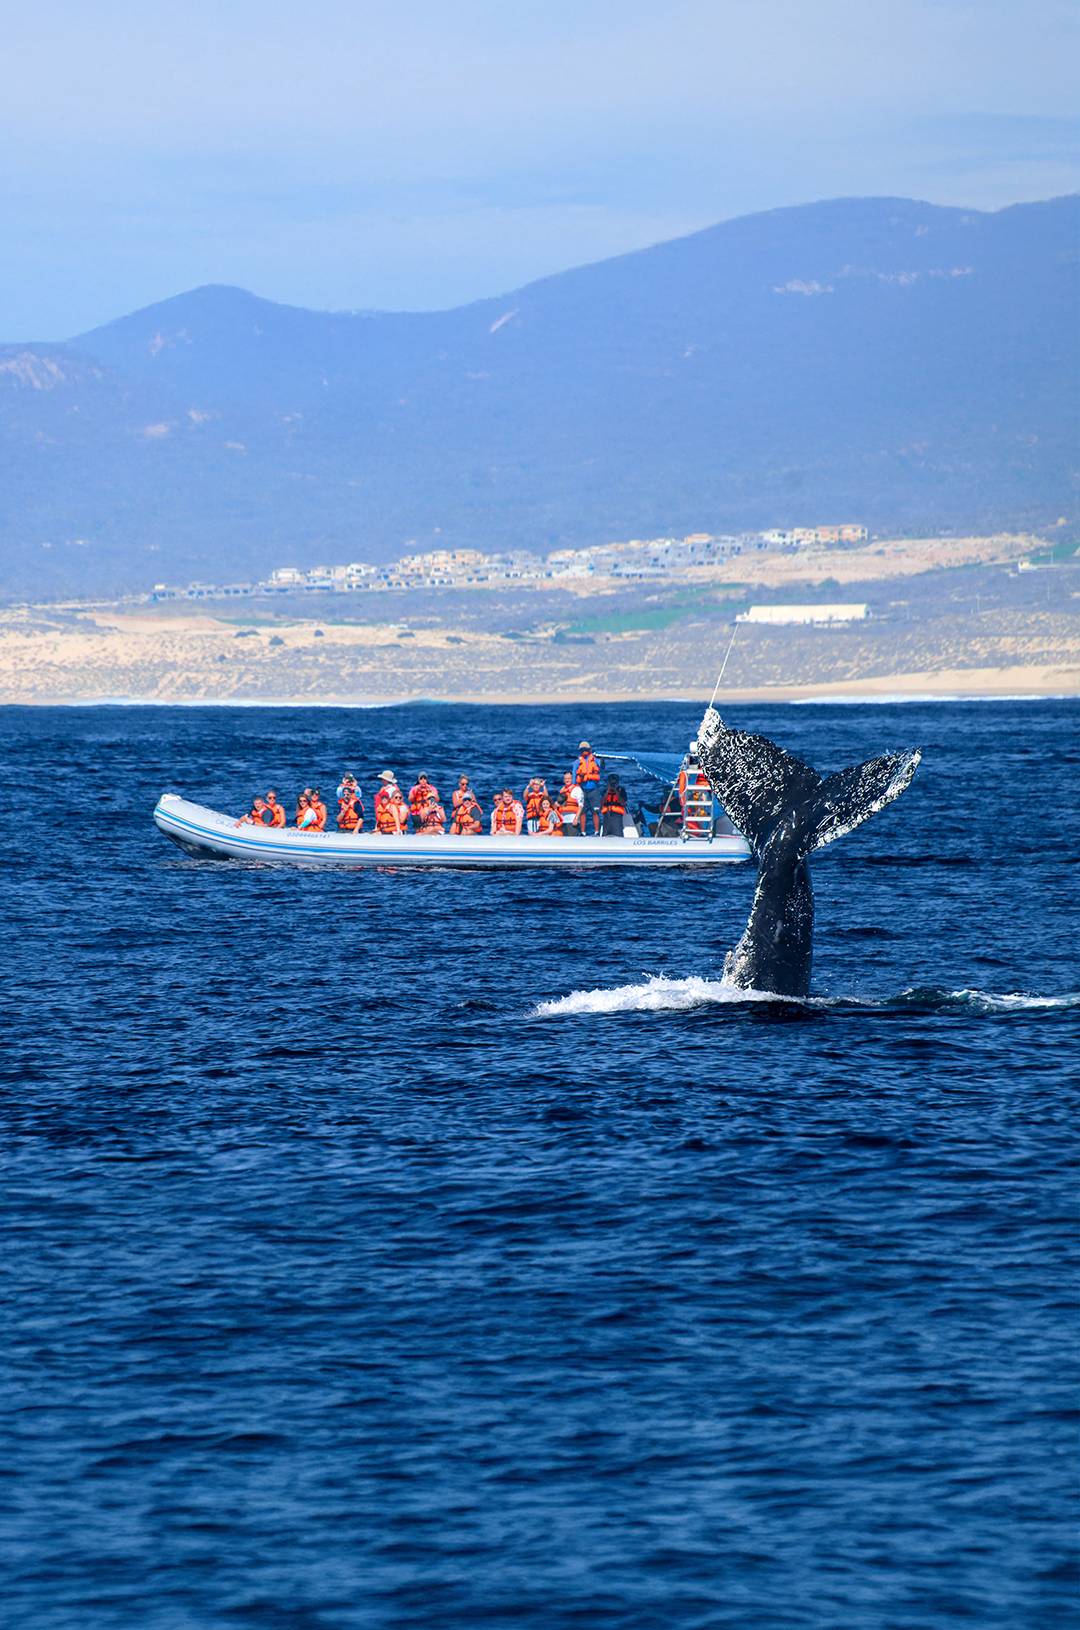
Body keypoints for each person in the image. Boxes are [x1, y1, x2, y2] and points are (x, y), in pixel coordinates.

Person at [574, 740, 602, 835]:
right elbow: (574, 776)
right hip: (582, 790)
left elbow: (602, 767)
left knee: (595, 811)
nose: (584, 751)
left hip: (594, 790)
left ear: (590, 749)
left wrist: (602, 761)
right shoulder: (577, 762)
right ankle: (583, 832)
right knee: (582, 812)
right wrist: (573, 787)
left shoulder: (596, 760)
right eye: (582, 750)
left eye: (585, 749)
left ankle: (597, 832)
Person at [558, 771, 585, 836]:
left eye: (569, 778)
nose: (567, 780)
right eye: (565, 778)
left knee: (572, 839)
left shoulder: (577, 789)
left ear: (572, 779)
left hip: (572, 820)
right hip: (563, 821)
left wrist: (576, 818)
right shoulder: (562, 790)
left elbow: (581, 805)